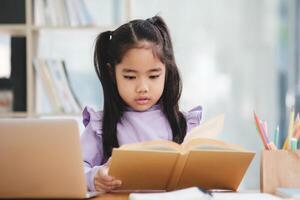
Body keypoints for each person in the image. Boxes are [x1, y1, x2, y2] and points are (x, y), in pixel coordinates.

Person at [80, 15, 202, 192]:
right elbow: (74, 168)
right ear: (112, 73)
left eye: (153, 76)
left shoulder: (183, 124)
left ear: (166, 71)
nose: (143, 88)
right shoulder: (100, 125)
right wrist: (93, 177)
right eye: (130, 77)